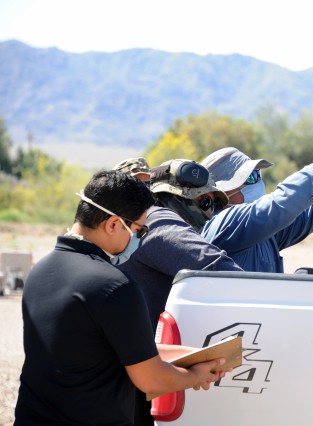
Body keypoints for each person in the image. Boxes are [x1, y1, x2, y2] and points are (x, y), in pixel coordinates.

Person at [15, 170, 229, 426]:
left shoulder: (41, 271)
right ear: (114, 224)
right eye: (139, 230)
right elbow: (150, 379)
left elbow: (113, 349)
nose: (139, 238)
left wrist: (195, 355)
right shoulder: (114, 286)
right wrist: (195, 376)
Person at [115, 159, 243, 425]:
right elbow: (222, 272)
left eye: (216, 204)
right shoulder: (159, 221)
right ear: (171, 199)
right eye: (204, 203)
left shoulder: (130, 227)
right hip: (135, 376)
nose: (211, 213)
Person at [199, 131, 313, 272]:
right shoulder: (224, 225)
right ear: (220, 193)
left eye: (256, 174)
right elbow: (282, 203)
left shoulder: (262, 233)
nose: (256, 181)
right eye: (247, 178)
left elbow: (308, 214)